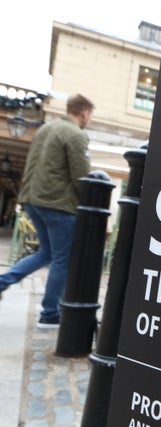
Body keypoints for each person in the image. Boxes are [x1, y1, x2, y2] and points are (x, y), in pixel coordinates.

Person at [0, 94, 94, 328]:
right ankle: (50, 313)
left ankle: (2, 282)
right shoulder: (76, 135)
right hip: (58, 203)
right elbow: (82, 177)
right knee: (63, 258)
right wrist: (90, 205)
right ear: (84, 113)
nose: (89, 121)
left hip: (32, 199)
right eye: (89, 116)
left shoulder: (44, 129)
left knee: (46, 253)